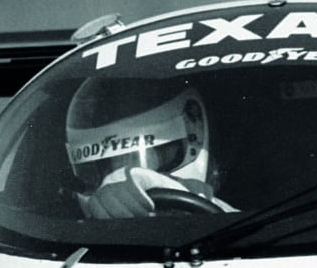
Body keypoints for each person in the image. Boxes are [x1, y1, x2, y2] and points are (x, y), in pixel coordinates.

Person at [64, 77, 232, 218]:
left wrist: (149, 181)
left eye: (156, 155)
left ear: (194, 139)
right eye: (106, 165)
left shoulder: (233, 221)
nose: (118, 174)